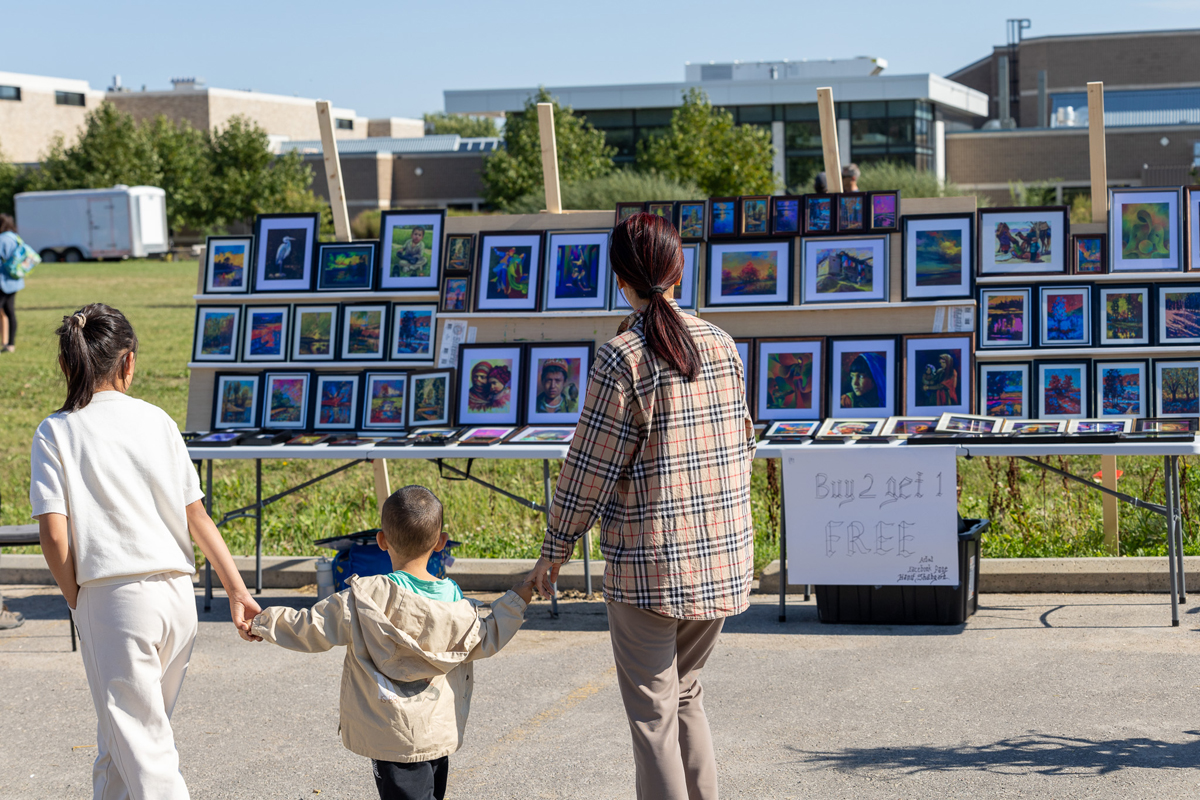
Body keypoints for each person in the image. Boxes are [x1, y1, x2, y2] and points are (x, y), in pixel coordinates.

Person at [527, 213, 755, 800]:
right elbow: (744, 445)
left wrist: (555, 550)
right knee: (687, 694)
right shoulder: (722, 344)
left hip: (649, 565)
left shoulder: (621, 356)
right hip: (721, 559)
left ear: (620, 281)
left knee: (653, 716)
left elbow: (588, 469)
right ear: (679, 271)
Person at [30, 303, 260, 799]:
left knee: (144, 750)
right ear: (128, 361)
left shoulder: (56, 430)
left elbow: (54, 535)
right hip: (177, 597)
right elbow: (198, 516)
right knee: (126, 742)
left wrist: (76, 598)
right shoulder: (158, 420)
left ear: (67, 364)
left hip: (114, 599)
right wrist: (237, 590)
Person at [249, 485, 533, 800]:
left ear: (381, 540)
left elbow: (310, 626)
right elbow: (487, 636)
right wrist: (517, 600)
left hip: (391, 734)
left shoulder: (365, 597)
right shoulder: (454, 600)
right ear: (441, 542)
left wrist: (262, 622)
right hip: (437, 732)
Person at [0, 214, 24, 353]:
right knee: (10, 312)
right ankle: (10, 344)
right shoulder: (16, 238)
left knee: (6, 311)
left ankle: (7, 344)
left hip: (2, 281)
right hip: (14, 280)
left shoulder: (1, 239)